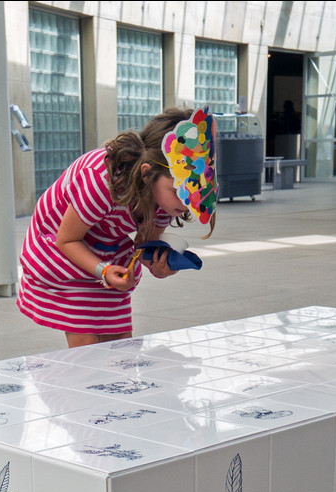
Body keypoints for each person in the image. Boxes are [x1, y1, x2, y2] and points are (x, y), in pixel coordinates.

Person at [17, 108, 217, 348]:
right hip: (60, 248)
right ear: (147, 174)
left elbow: (144, 242)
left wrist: (159, 265)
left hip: (106, 246)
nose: (185, 202)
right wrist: (102, 270)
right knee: (88, 346)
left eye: (192, 193)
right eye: (178, 192)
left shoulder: (165, 200)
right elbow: (67, 240)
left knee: (120, 347)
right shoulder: (101, 181)